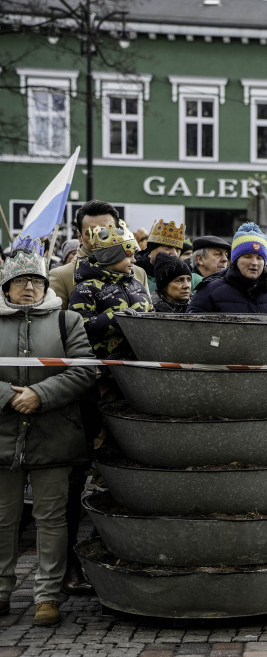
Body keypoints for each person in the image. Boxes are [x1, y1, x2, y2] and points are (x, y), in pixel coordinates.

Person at [0, 237, 94, 627]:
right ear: (6, 287)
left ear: (45, 286)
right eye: (20, 281)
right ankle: (1, 590)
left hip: (55, 435)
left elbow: (85, 369)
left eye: (36, 281)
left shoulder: (66, 320)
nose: (29, 288)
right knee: (3, 518)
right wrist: (8, 396)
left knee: (51, 518)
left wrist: (40, 394)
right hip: (3, 436)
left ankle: (47, 596)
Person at [69, 220, 154, 359]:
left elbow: (151, 313)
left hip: (139, 364)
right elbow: (79, 326)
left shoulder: (136, 284)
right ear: (111, 257)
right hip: (103, 370)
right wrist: (118, 319)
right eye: (128, 255)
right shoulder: (85, 288)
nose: (134, 260)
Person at [49, 200, 149, 310]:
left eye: (106, 231)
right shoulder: (61, 276)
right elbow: (56, 323)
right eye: (91, 233)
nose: (99, 237)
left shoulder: (138, 273)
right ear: (79, 236)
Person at [188, 223, 267, 314]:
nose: (255, 263)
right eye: (247, 257)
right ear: (235, 260)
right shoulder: (210, 291)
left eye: (259, 258)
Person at [134, 219, 185, 294]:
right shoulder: (134, 271)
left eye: (178, 249)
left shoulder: (184, 275)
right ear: (151, 249)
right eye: (167, 247)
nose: (174, 254)